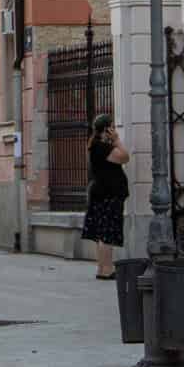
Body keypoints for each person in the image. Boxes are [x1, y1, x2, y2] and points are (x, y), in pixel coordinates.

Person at [81, 113, 131, 279]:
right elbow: (125, 157)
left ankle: (102, 268)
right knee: (106, 233)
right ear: (107, 129)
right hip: (108, 194)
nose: (114, 129)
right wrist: (117, 140)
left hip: (101, 193)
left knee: (102, 233)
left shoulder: (95, 145)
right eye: (112, 126)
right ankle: (107, 269)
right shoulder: (101, 147)